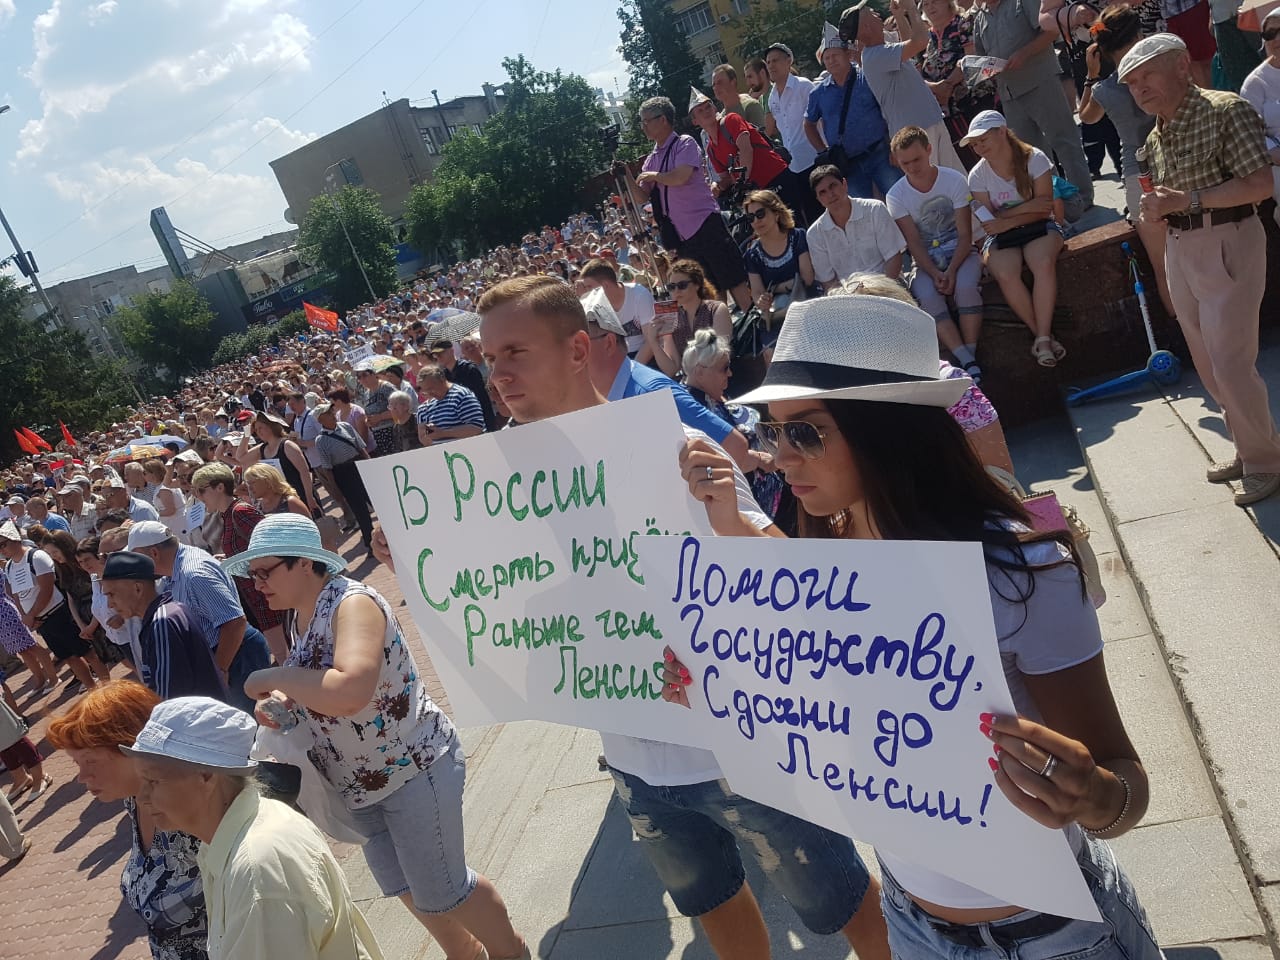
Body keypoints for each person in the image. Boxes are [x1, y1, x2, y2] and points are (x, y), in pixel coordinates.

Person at [373, 274, 888, 960]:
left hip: (743, 744)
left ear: (579, 349)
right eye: (490, 358)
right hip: (637, 764)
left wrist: (726, 517)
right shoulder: (487, 484)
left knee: (845, 907)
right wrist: (418, 557)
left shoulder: (668, 444)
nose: (497, 373)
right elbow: (491, 611)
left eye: (516, 352)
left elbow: (790, 576)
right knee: (715, 909)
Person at [664, 292, 1160, 960]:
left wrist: (1091, 794)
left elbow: (1125, 789)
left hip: (1055, 937)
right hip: (909, 927)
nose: (780, 458)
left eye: (805, 432)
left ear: (886, 430)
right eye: (772, 432)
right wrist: (714, 684)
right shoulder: (821, 565)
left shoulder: (1022, 568)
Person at [224, 515, 529, 960]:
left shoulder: (352, 604)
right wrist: (285, 701)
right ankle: (464, 953)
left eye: (265, 571)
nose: (256, 584)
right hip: (360, 781)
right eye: (253, 574)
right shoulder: (300, 615)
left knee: (445, 887)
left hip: (412, 769)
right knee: (402, 884)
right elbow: (318, 682)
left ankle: (511, 953)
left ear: (305, 564)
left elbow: (350, 691)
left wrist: (270, 675)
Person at [1122, 33, 1280, 505]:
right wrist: (1159, 211)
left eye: (1147, 74)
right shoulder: (1156, 132)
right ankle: (1250, 446)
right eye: (1131, 82)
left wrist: (1188, 200)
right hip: (1181, 245)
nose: (1139, 87)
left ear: (1181, 66)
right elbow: (1170, 198)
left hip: (1228, 239)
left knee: (1231, 363)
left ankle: (1266, 461)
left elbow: (1259, 185)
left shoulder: (1225, 109)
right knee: (1209, 364)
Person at [121, 696, 385, 960]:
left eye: (153, 781)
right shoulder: (236, 833)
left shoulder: (257, 870)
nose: (142, 797)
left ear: (206, 776)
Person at [49, 680, 208, 960]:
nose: (81, 777)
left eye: (90, 762)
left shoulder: (194, 815)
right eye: (77, 764)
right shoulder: (134, 801)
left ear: (131, 747)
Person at [1079, 4, 1176, 316]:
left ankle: (1188, 338)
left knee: (1164, 268)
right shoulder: (1161, 74)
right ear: (1138, 36)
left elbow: (1087, 117)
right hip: (1178, 164)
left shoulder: (1105, 89)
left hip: (1138, 177)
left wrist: (1091, 76)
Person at [125, 522, 273, 715]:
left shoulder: (193, 574)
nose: (136, 564)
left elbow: (234, 623)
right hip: (231, 651)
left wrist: (220, 671)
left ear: (154, 553)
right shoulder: (177, 568)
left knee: (254, 723)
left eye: (137, 556)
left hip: (237, 654)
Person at [622, 96, 753, 312]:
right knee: (710, 290)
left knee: (733, 279)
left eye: (646, 121)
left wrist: (654, 175)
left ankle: (756, 324)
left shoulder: (684, 143)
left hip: (704, 223)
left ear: (662, 119)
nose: (643, 127)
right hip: (683, 236)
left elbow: (680, 177)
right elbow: (642, 197)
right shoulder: (652, 157)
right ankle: (730, 335)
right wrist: (626, 175)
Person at [963, 110, 1067, 367]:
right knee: (1005, 272)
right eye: (975, 144)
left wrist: (1008, 217)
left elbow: (1045, 206)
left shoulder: (1034, 158)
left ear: (1002, 132)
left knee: (1041, 262)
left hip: (1038, 226)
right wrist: (1019, 213)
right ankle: (1043, 337)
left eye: (983, 140)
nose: (979, 148)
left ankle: (1042, 338)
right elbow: (989, 223)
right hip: (1005, 235)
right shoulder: (977, 175)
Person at [972, 0, 1095, 206]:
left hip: (1040, 80)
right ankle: (1055, 200)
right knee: (1030, 154)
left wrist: (1024, 53)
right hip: (1009, 93)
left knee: (1064, 139)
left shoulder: (1023, 2)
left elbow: (1051, 32)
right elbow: (982, 57)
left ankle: (1082, 197)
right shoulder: (979, 18)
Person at [887, 125, 985, 380]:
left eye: (917, 159)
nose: (912, 167)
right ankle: (966, 359)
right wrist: (934, 272)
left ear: (929, 150)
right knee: (927, 295)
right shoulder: (895, 195)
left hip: (962, 252)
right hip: (925, 261)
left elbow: (965, 235)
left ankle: (970, 354)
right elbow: (913, 243)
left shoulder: (953, 180)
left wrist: (951, 270)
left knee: (964, 286)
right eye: (904, 162)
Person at [843, 0, 966, 172]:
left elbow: (909, 42)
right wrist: (911, 8)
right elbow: (920, 41)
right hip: (916, 130)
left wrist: (899, 15)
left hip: (926, 121)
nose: (878, 15)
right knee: (939, 180)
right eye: (871, 13)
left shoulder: (881, 50)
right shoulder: (874, 56)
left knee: (954, 174)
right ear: (866, 27)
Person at [191, 463, 288, 666]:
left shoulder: (239, 511)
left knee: (285, 654)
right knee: (283, 654)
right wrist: (229, 559)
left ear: (219, 487)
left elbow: (273, 545)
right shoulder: (229, 514)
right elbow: (250, 550)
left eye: (201, 490)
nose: (198, 497)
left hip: (269, 594)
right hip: (259, 595)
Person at [101, 553, 226, 702]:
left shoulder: (162, 622)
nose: (110, 604)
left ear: (137, 588)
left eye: (112, 594)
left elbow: (168, 699)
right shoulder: (169, 611)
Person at [0, 519, 100, 693]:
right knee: (68, 657)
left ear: (15, 539)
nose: (1, 549)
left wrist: (31, 615)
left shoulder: (36, 556)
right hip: (41, 621)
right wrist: (26, 615)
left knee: (86, 652)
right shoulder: (9, 566)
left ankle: (106, 685)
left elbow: (46, 588)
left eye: (3, 544)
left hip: (57, 614)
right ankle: (92, 688)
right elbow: (14, 593)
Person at [804, 23, 901, 199]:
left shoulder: (867, 77)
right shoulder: (818, 93)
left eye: (835, 55)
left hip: (880, 153)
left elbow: (887, 109)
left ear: (847, 55)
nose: (831, 60)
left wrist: (894, 145)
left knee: (899, 198)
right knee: (863, 212)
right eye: (827, 58)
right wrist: (822, 151)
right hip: (848, 164)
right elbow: (809, 124)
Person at [690, 87, 806, 222]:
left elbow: (746, 149)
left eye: (708, 106)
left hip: (775, 177)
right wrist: (718, 186)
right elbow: (726, 177)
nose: (706, 111)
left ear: (715, 108)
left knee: (795, 225)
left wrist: (742, 182)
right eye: (700, 110)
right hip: (758, 193)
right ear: (695, 121)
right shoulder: (711, 149)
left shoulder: (731, 120)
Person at [920, 0, 999, 166]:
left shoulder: (963, 23)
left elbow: (971, 58)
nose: (930, 7)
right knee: (971, 161)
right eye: (926, 4)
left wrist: (947, 85)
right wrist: (935, 88)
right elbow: (917, 73)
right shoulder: (927, 38)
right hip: (949, 111)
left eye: (935, 2)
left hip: (976, 100)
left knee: (995, 150)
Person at [806, 165, 907, 286]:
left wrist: (881, 294)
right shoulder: (814, 234)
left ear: (844, 184)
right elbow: (828, 282)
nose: (830, 194)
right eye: (822, 192)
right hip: (850, 299)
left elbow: (894, 259)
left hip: (890, 286)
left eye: (833, 186)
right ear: (818, 199)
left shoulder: (874, 209)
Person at [741, 189, 816, 340]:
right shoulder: (752, 254)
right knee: (770, 352)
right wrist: (761, 300)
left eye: (760, 214)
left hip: (808, 304)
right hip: (777, 315)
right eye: (751, 217)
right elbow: (756, 292)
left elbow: (807, 278)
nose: (756, 221)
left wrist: (775, 288)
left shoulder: (797, 236)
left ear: (776, 213)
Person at [763, 43, 823, 223]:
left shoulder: (804, 86)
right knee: (809, 217)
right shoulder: (772, 97)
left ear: (788, 61)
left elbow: (820, 119)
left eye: (775, 60)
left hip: (814, 159)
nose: (771, 66)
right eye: (768, 62)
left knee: (824, 208)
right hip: (793, 166)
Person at [650, 258, 733, 378]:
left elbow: (718, 356)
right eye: (671, 287)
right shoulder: (673, 318)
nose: (676, 291)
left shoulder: (717, 309)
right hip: (690, 383)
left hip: (718, 378)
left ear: (697, 285)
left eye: (682, 285)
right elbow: (671, 369)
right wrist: (653, 341)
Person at [312, 403, 376, 555]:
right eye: (328, 413)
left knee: (376, 500)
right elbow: (328, 468)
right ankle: (371, 543)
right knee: (360, 510)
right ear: (321, 419)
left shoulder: (346, 426)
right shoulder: (321, 440)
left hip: (358, 465)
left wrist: (370, 466)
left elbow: (361, 448)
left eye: (331, 411)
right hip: (343, 473)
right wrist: (336, 489)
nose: (333, 413)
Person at [233, 412, 319, 516]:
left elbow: (304, 472)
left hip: (301, 494)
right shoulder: (262, 448)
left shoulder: (287, 445)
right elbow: (241, 457)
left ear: (271, 426)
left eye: (261, 428)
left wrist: (309, 497)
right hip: (282, 500)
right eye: (256, 429)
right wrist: (247, 433)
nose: (258, 432)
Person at [1240, 9, 1280, 226]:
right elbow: (1252, 136)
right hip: (1275, 162)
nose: (1278, 38)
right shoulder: (1255, 83)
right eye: (1271, 33)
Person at [579, 258, 659, 362]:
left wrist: (631, 370)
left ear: (605, 285)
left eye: (589, 287)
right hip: (618, 360)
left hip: (647, 356)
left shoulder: (639, 295)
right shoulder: (592, 306)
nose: (587, 292)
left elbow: (651, 341)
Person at [415, 365, 486, 447]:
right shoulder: (424, 408)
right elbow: (425, 441)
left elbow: (476, 428)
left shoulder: (461, 395)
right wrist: (426, 434)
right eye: (426, 391)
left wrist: (443, 433)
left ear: (442, 379)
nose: (430, 393)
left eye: (431, 388)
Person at [354, 365, 398, 457]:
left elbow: (400, 409)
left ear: (374, 374)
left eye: (365, 375)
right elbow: (368, 414)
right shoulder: (366, 394)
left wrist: (380, 417)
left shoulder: (386, 387)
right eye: (359, 377)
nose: (362, 379)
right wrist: (368, 421)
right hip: (378, 435)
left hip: (394, 431)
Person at [244, 463, 310, 518]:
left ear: (268, 481)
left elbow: (311, 529)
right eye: (248, 483)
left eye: (252, 483)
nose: (249, 488)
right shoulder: (257, 506)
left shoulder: (290, 502)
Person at [711, 62, 767, 127]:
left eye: (720, 82)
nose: (716, 88)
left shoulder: (750, 106)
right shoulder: (721, 118)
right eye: (713, 85)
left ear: (733, 82)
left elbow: (762, 136)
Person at [384, 389, 423, 454]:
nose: (393, 409)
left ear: (406, 406)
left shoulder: (417, 419)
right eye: (391, 406)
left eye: (395, 405)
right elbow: (398, 448)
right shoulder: (396, 427)